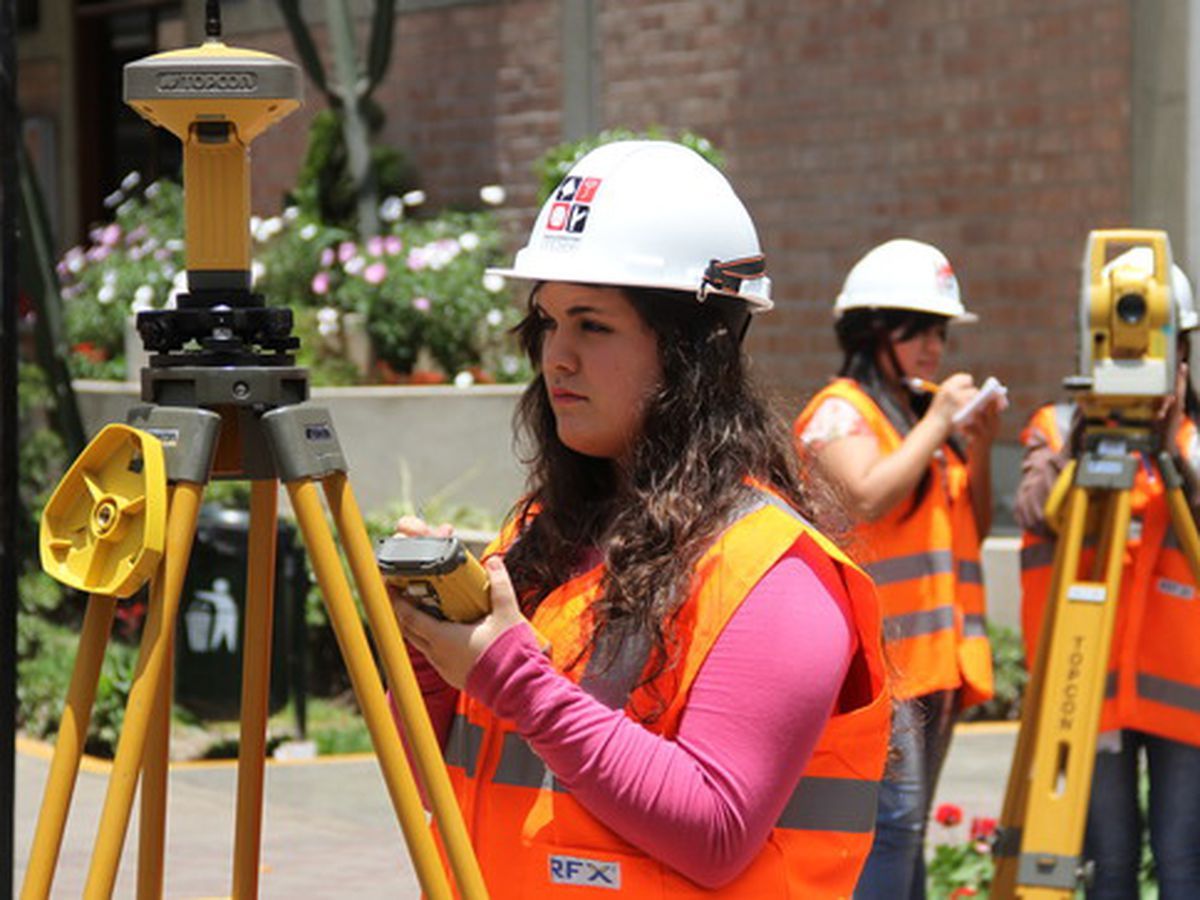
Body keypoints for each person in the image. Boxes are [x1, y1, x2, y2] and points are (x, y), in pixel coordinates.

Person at [387, 140, 890, 897]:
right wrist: (432, 651)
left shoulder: (776, 572)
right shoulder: (542, 535)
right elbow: (440, 782)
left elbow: (715, 830)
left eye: (592, 324)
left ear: (693, 349)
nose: (556, 356)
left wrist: (514, 681)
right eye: (547, 321)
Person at [792, 238, 999, 900]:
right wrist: (939, 422)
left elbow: (973, 526)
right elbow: (866, 496)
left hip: (933, 661)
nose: (934, 347)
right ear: (874, 330)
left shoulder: (915, 415)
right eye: (919, 330)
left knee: (907, 831)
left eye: (941, 332)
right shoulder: (840, 411)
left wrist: (979, 446)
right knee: (892, 829)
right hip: (882, 662)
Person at [1015, 247, 1200, 900]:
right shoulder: (1058, 427)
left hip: (1184, 691)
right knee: (1109, 866)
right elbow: (1035, 510)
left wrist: (1174, 450)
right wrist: (1087, 438)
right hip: (1088, 687)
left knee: (1184, 863)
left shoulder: (1193, 441)